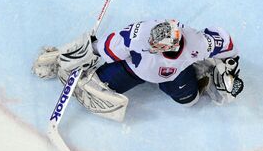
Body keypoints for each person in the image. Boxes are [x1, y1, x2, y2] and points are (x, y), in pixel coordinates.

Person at [33, 19, 244, 121]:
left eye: (156, 44)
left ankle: (203, 71)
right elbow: (104, 47)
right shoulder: (137, 35)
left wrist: (230, 64)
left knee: (190, 101)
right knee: (98, 84)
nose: (149, 43)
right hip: (132, 69)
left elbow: (225, 42)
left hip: (176, 73)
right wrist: (74, 56)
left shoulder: (197, 43)